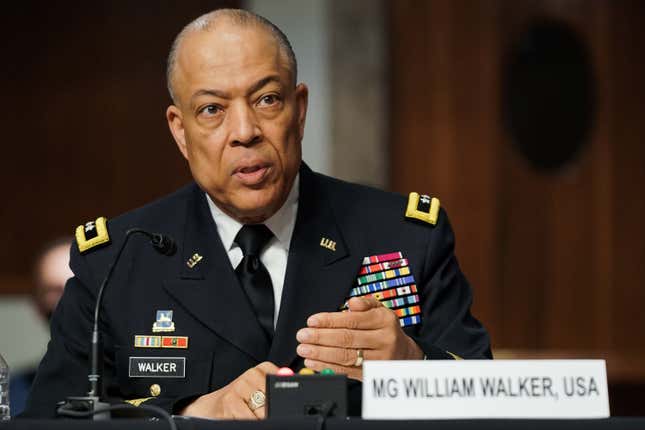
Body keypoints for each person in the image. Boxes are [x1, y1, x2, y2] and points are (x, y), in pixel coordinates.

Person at [22, 9, 491, 419]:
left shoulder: (402, 234)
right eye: (211, 109)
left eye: (267, 99)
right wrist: (189, 413)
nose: (244, 131)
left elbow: (491, 407)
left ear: (299, 110)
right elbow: (51, 418)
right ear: (179, 131)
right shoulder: (117, 260)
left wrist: (414, 368)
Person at [10, 238, 72, 416]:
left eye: (78, 285)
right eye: (54, 291)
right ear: (37, 305)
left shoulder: (141, 391)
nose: (68, 299)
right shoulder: (14, 395)